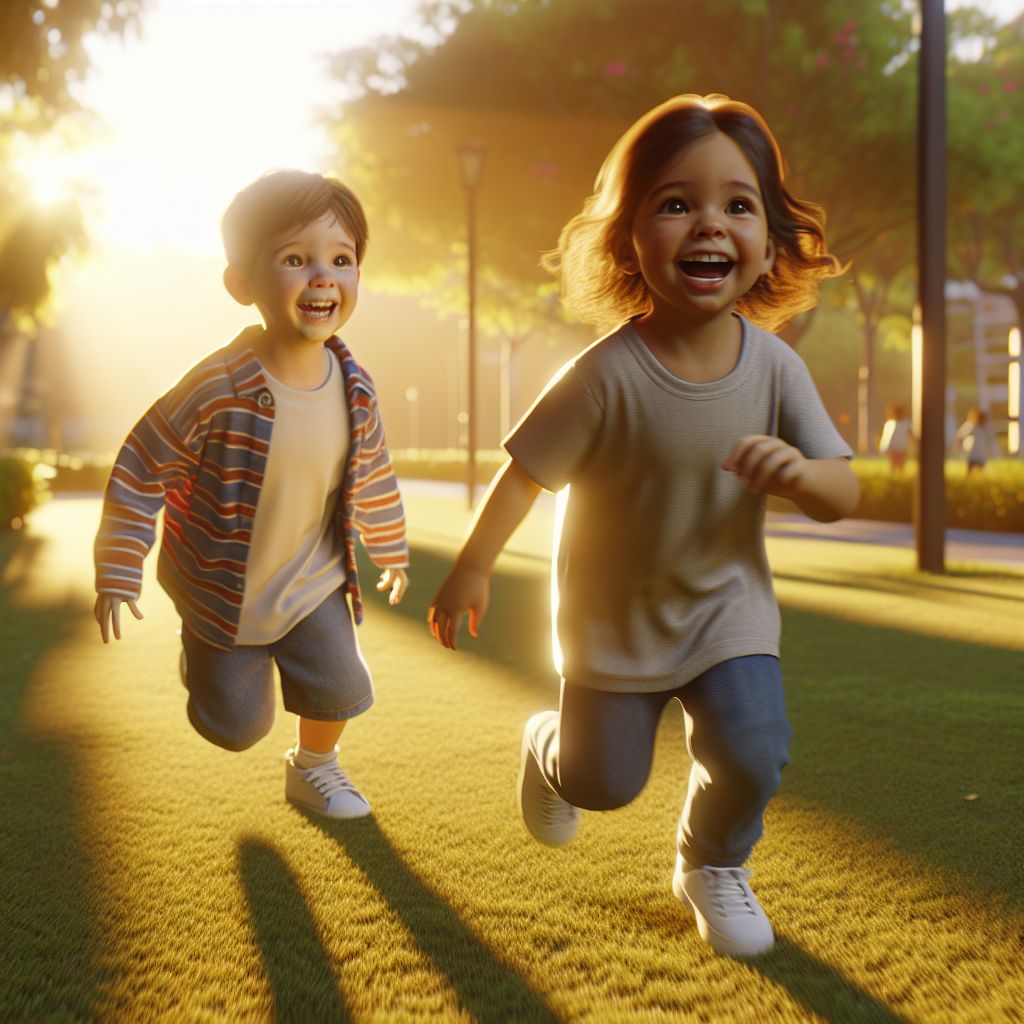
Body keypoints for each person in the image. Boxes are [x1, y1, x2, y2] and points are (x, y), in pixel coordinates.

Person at [427, 94, 858, 958]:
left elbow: (840, 490)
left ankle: (712, 864)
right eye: (675, 203)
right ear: (632, 239)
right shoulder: (603, 376)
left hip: (725, 613)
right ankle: (551, 747)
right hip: (611, 622)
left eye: (738, 205)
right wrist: (472, 567)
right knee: (604, 783)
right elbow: (522, 479)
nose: (709, 225)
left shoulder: (776, 365)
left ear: (769, 242)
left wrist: (802, 474)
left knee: (754, 748)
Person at [94, 170, 409, 819]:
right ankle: (205, 660)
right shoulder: (216, 386)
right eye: (296, 259)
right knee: (234, 727)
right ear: (243, 283)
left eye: (341, 259)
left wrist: (390, 547)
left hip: (312, 580)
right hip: (223, 588)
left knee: (342, 685)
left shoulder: (355, 385)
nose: (323, 276)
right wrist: (119, 569)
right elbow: (140, 467)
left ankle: (314, 767)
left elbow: (373, 470)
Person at [954, 406, 995, 474]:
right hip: (972, 455)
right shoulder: (971, 426)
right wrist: (959, 445)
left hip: (980, 456)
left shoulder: (985, 428)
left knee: (978, 473)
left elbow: (991, 438)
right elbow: (960, 435)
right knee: (971, 473)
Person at [878, 401, 912, 474]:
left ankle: (901, 474)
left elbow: (910, 433)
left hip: (902, 447)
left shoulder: (906, 423)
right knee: (893, 462)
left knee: (901, 462)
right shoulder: (889, 423)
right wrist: (883, 447)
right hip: (893, 447)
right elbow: (886, 437)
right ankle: (894, 474)